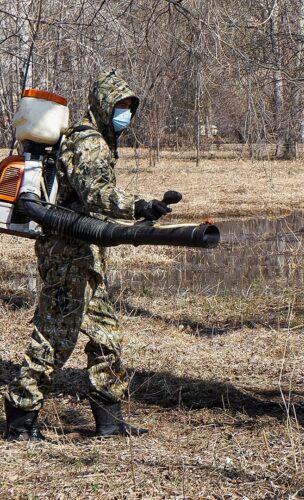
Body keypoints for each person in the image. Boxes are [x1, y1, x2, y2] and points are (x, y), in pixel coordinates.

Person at [4, 69, 174, 441]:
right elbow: (96, 193)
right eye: (119, 106)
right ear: (101, 105)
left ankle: (109, 420)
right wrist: (139, 205)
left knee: (105, 336)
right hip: (66, 255)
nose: (125, 114)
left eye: (129, 107)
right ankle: (20, 420)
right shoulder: (88, 143)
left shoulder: (100, 140)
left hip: (86, 254)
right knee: (55, 337)